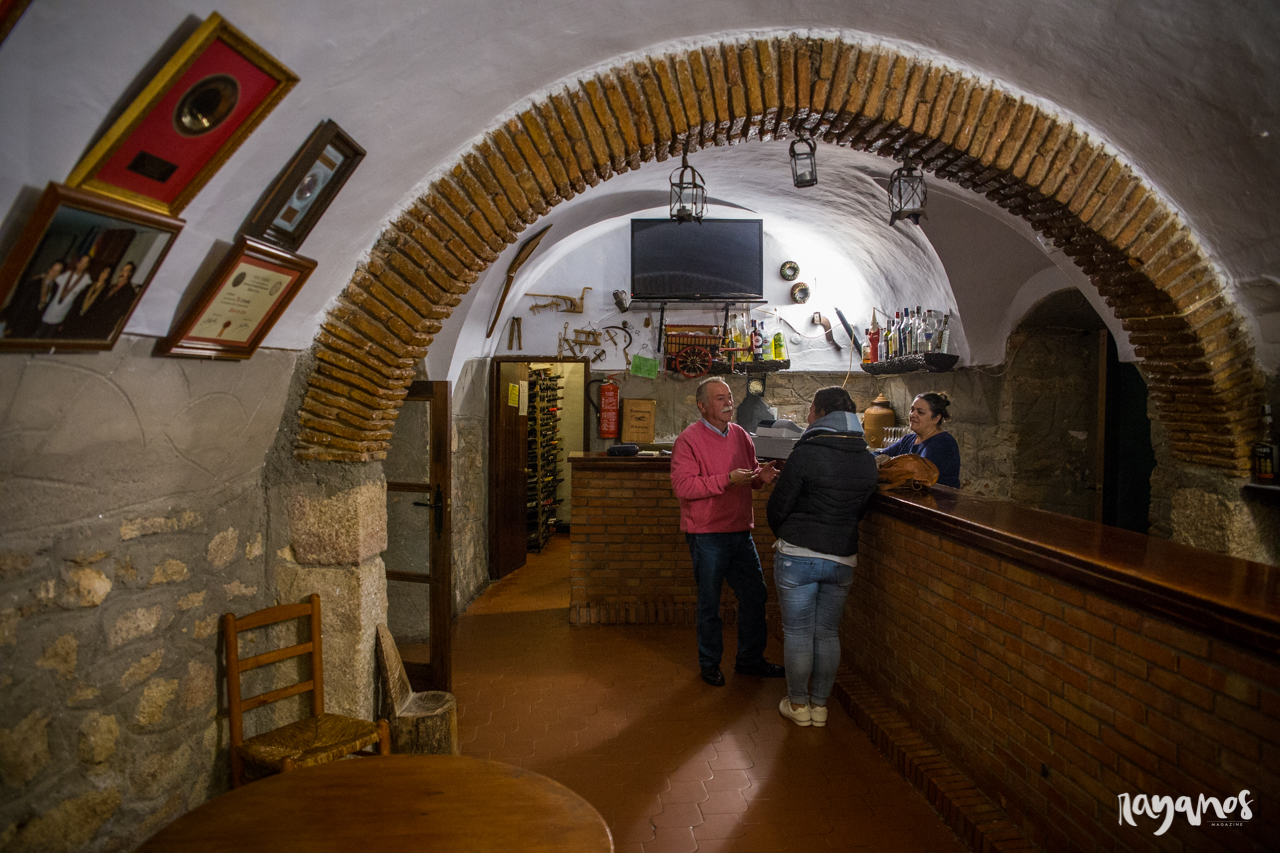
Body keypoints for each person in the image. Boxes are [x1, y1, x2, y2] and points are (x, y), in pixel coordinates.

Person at [766, 387, 878, 727]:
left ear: (820, 412)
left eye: (810, 409)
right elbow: (862, 508)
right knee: (827, 633)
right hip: (842, 556)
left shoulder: (806, 452)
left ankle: (798, 706)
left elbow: (778, 506)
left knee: (798, 633)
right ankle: (820, 706)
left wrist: (787, 533)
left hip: (798, 554)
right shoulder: (866, 458)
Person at [670, 377, 783, 687]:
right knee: (710, 602)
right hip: (706, 534)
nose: (728, 402)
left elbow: (748, 477)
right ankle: (709, 663)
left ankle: (750, 660)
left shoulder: (741, 436)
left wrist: (762, 476)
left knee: (755, 595)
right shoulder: (688, 441)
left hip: (739, 532)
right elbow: (683, 487)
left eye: (729, 397)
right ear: (703, 406)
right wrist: (726, 480)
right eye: (719, 399)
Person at [874, 392, 961, 488]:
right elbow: (879, 454)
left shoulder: (943, 442)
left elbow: (918, 473)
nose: (913, 414)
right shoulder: (909, 439)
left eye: (920, 412)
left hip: (937, 500)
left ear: (936, 418)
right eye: (912, 410)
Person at [63, 262, 137, 340]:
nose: (122, 272)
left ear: (130, 274)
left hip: (101, 330)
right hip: (90, 326)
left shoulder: (129, 292)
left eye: (126, 271)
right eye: (122, 270)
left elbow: (117, 314)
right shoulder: (111, 287)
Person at [1, 259, 63, 338]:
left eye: (57, 271)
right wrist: (10, 325)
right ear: (49, 269)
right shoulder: (35, 283)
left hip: (32, 327)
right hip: (19, 323)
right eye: (53, 270)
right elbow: (20, 304)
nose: (54, 273)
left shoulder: (55, 287)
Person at [35, 254, 93, 337]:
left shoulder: (86, 280)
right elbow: (52, 277)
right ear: (77, 263)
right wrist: (41, 276)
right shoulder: (67, 274)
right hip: (50, 310)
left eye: (85, 263)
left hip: (61, 315)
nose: (82, 265)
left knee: (48, 339)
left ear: (87, 265)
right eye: (81, 262)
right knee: (38, 334)